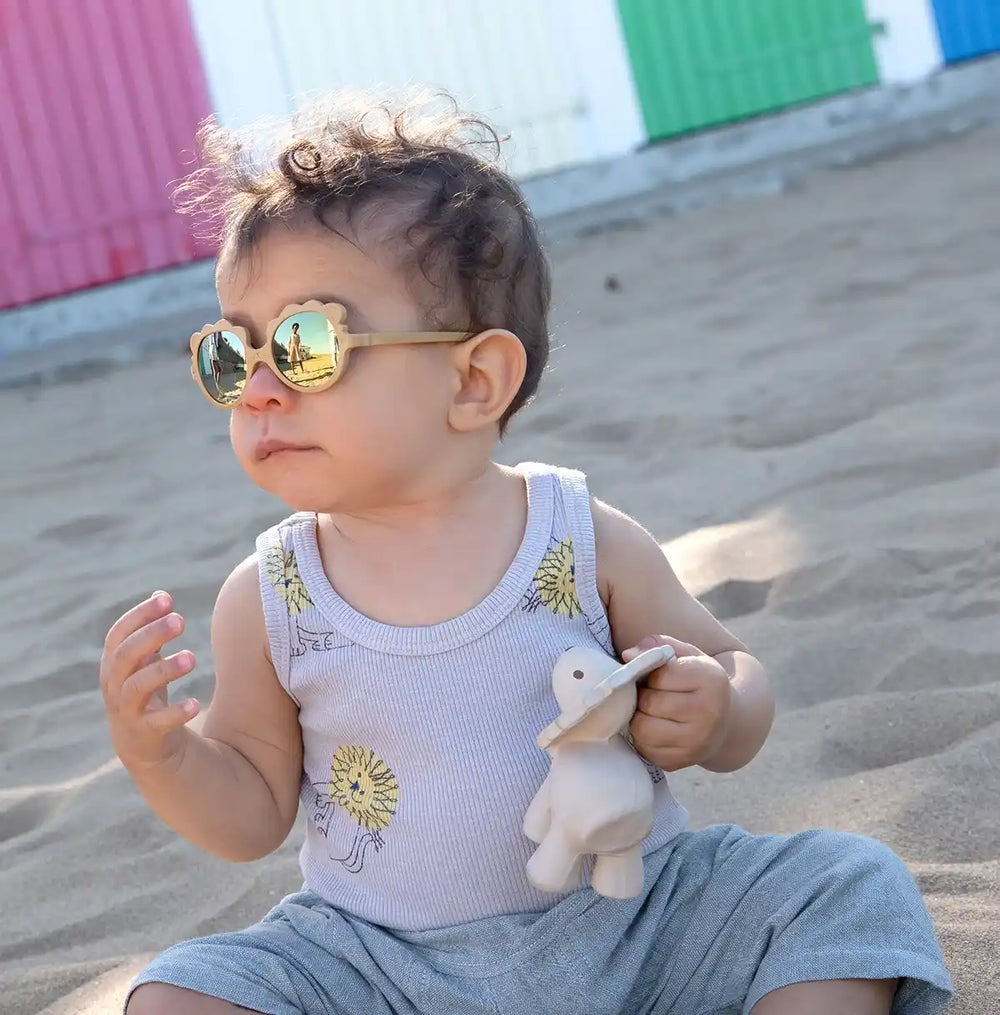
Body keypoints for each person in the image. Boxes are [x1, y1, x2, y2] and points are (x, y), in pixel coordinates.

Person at [100, 93, 952, 1015]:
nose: (261, 389)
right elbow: (251, 812)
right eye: (232, 354)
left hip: (641, 922)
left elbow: (738, 673)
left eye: (307, 344)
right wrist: (163, 756)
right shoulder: (269, 596)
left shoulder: (580, 536)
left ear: (474, 380)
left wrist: (715, 706)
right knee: (179, 993)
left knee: (846, 882)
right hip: (383, 965)